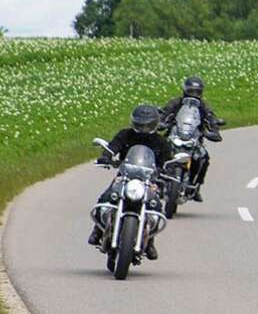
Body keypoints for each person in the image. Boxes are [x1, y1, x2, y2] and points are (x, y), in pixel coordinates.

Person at [87, 104, 174, 260]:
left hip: (149, 180)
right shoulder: (126, 135)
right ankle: (97, 230)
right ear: (134, 122)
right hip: (125, 175)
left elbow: (168, 160)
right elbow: (114, 146)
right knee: (107, 197)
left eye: (148, 125)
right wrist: (106, 156)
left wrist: (169, 169)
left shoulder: (160, 141)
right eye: (141, 124)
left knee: (155, 206)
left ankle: (151, 240)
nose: (144, 128)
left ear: (154, 124)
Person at [158, 75, 224, 201]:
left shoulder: (203, 106)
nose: (193, 94)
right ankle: (156, 179)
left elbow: (211, 117)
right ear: (185, 90)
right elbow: (164, 112)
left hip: (194, 140)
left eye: (197, 92)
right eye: (191, 91)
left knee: (204, 157)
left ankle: (196, 186)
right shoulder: (176, 102)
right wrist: (161, 122)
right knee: (159, 150)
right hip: (175, 135)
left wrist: (214, 128)